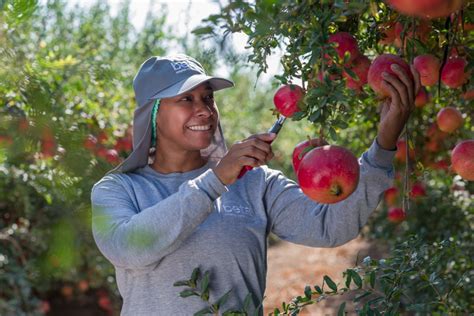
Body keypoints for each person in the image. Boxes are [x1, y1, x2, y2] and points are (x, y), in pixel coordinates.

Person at [91, 54, 420, 315]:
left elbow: (329, 226)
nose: (204, 109)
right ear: (152, 114)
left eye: (207, 97)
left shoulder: (254, 182)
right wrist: (217, 179)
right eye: (186, 99)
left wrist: (383, 145)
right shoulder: (117, 190)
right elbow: (129, 248)